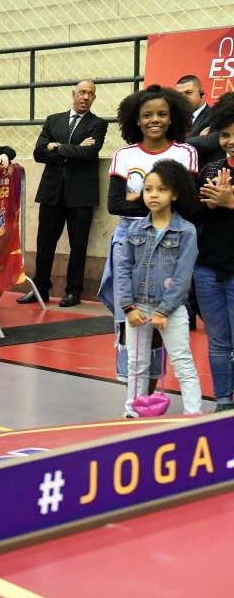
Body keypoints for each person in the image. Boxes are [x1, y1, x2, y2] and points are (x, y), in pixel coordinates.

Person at [98, 85, 197, 394]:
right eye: (147, 115)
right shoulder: (124, 155)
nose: (155, 120)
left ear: (173, 118)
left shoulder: (185, 153)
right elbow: (115, 205)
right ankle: (135, 395)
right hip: (129, 238)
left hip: (170, 240)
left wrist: (136, 198)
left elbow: (188, 204)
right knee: (129, 317)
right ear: (136, 120)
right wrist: (160, 202)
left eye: (162, 114)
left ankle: (151, 393)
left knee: (160, 319)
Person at [114, 160, 201, 418]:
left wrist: (163, 311)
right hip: (137, 307)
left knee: (182, 362)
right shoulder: (134, 228)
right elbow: (123, 270)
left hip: (171, 310)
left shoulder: (186, 231)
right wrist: (128, 307)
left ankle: (193, 416)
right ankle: (133, 412)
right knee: (136, 364)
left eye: (161, 189)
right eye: (148, 189)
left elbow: (183, 276)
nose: (153, 194)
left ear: (174, 194)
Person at [22, 80, 109, 307]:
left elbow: (89, 154)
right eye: (82, 92)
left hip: (81, 195)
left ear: (94, 98)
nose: (85, 97)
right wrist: (71, 149)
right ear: (73, 93)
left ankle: (74, 291)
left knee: (78, 245)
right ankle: (40, 288)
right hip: (52, 193)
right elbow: (39, 153)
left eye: (90, 94)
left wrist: (56, 147)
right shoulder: (53, 120)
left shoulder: (98, 124)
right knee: (44, 244)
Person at [187, 95, 234, 412]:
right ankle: (222, 402)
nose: (230, 141)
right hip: (207, 269)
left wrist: (231, 203)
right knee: (217, 342)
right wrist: (206, 204)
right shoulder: (212, 169)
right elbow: (196, 219)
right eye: (226, 134)